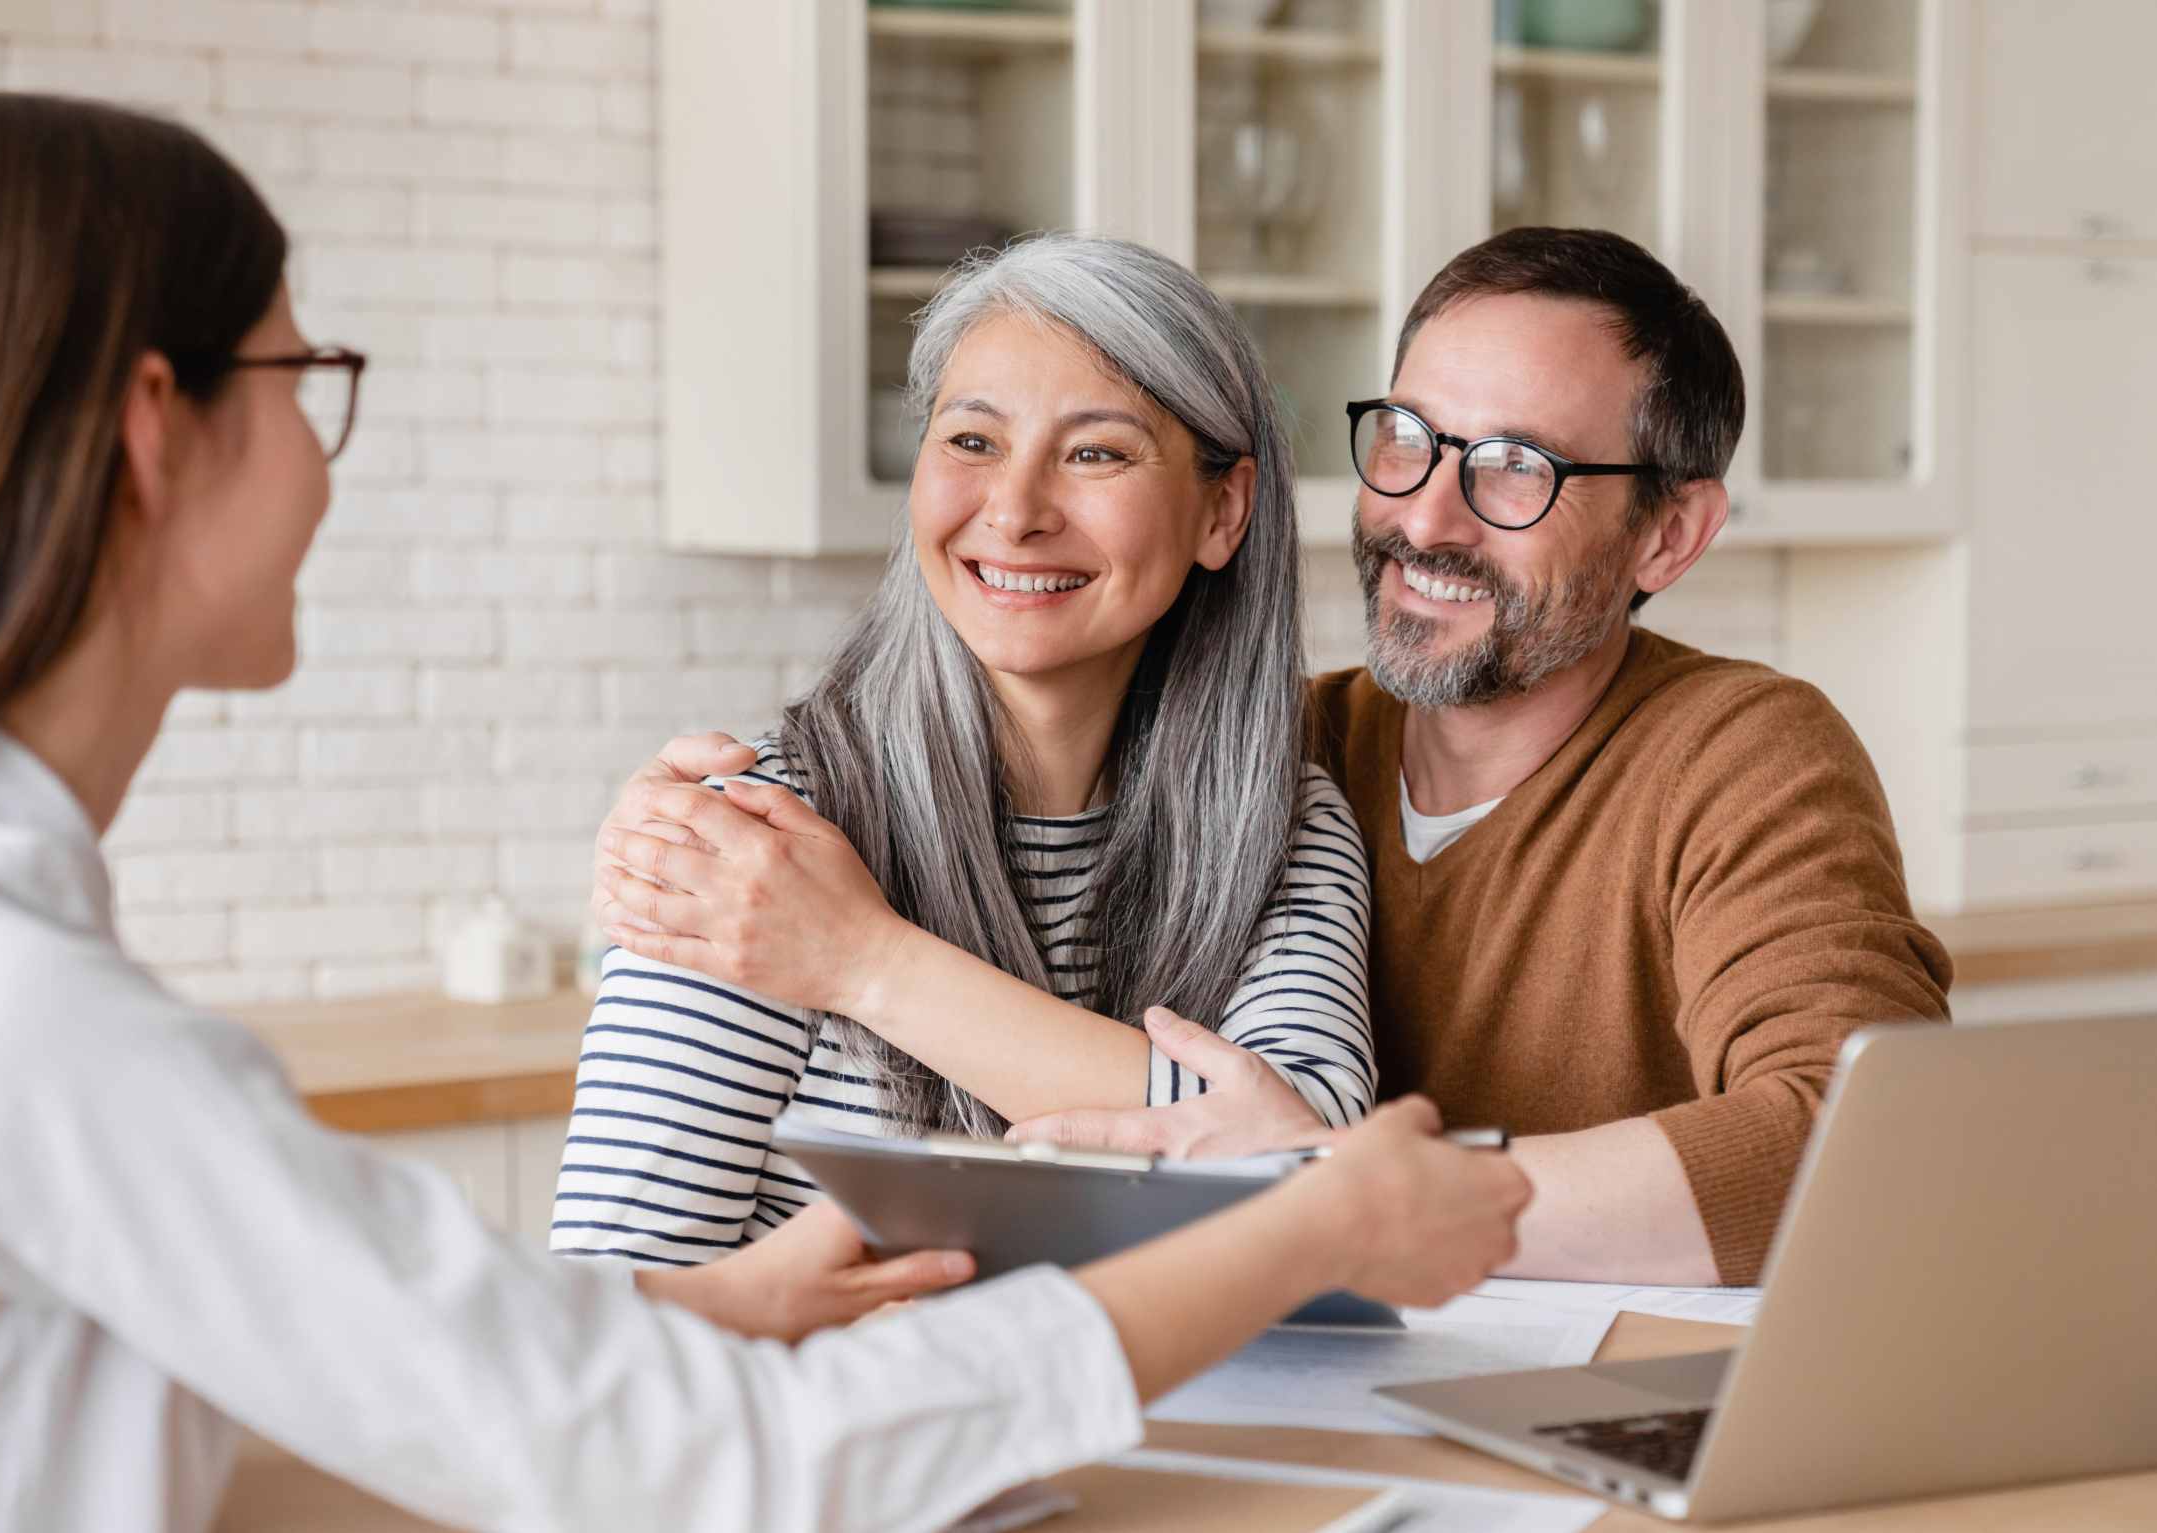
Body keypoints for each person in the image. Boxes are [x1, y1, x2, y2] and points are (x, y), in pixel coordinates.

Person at [0, 94, 1531, 1533]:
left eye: (1094, 449)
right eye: (307, 379)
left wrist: (680, 1315)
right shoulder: (0, 1008)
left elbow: (270, 1422)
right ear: (157, 432)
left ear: (1219, 509)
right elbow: (667, 1463)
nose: (325, 451)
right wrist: (1304, 1223)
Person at [594, 227, 1952, 1291]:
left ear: (1666, 536)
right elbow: (606, 1300)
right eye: (1409, 441)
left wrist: (1340, 1188)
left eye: (1515, 468)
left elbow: (1862, 1144)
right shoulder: (1292, 754)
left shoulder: (1294, 797)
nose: (1427, 514)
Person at [559, 234, 1376, 1266]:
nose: (1016, 511)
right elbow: (616, 1305)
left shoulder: (1282, 823)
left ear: (1223, 511)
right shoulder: (760, 845)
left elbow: (1309, 1167)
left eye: (1096, 452)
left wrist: (865, 961)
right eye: (973, 441)